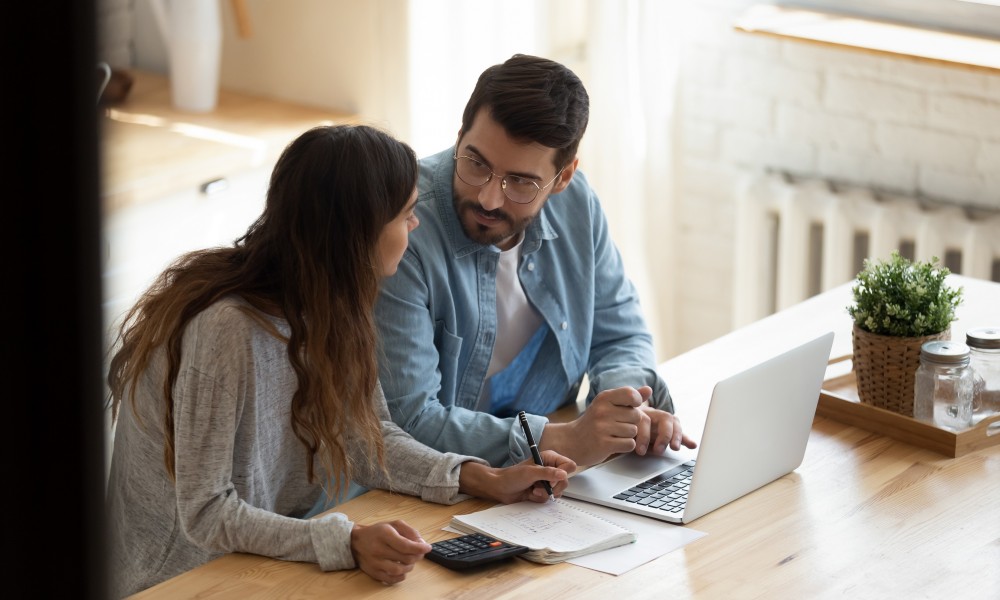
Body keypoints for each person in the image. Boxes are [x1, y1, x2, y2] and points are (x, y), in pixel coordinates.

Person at [105, 124, 575, 598]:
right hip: (178, 581)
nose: (416, 225)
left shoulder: (336, 304)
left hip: (262, 564)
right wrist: (345, 541)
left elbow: (366, 440)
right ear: (357, 233)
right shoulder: (225, 328)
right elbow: (205, 512)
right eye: (406, 214)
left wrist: (482, 478)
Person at [375, 54, 698, 469]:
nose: (489, 198)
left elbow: (619, 334)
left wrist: (623, 408)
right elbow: (409, 420)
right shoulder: (403, 226)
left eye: (521, 182)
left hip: (551, 474)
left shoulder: (578, 204)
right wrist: (563, 439)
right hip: (442, 480)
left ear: (563, 178)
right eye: (476, 163)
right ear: (459, 138)